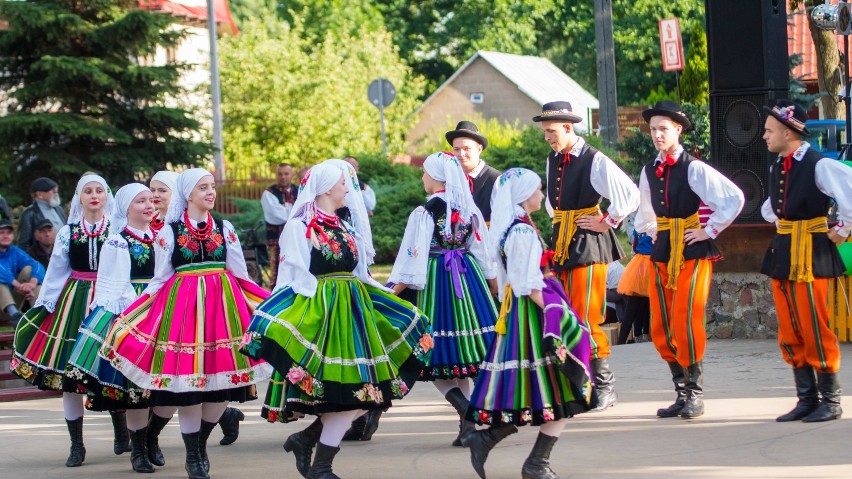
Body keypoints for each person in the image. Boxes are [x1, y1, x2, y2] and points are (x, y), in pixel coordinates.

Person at [239, 160, 431, 479]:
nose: (348, 188)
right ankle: (321, 464)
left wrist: (385, 294)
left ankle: (307, 441)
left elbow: (359, 272)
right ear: (328, 187)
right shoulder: (300, 226)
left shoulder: (345, 225)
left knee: (370, 392)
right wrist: (295, 317)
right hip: (326, 312)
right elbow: (292, 277)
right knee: (352, 392)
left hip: (355, 310)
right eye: (344, 183)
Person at [100, 169, 272, 479]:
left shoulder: (225, 226)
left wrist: (267, 301)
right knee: (191, 387)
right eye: (202, 187)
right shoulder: (169, 232)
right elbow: (160, 278)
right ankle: (194, 456)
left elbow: (240, 273)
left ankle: (199, 445)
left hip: (223, 311)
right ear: (188, 195)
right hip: (184, 312)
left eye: (211, 186)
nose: (210, 192)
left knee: (222, 388)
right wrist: (135, 312)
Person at [461, 167, 592, 479]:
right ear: (523, 195)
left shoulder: (518, 228)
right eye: (538, 190)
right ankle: (533, 462)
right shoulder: (521, 232)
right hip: (533, 317)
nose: (542, 195)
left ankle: (493, 440)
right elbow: (526, 285)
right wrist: (556, 313)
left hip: (524, 316)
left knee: (539, 391)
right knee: (559, 390)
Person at [634, 100, 745, 419]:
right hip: (663, 249)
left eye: (663, 129)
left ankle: (695, 391)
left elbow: (733, 197)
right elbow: (645, 211)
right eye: (653, 129)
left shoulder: (693, 167)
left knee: (685, 318)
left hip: (692, 250)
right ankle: (680, 392)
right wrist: (652, 229)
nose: (657, 135)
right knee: (661, 324)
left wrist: (708, 229)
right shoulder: (648, 170)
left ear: (678, 130)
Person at [534, 101, 640, 411]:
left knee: (587, 315)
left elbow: (630, 194)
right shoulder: (553, 159)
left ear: (568, 127)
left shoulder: (594, 159)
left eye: (551, 131)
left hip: (589, 244)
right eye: (544, 132)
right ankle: (579, 383)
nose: (547, 137)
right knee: (564, 312)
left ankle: (604, 386)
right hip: (563, 242)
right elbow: (554, 207)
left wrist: (607, 220)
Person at [388, 151, 498, 447]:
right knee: (460, 358)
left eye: (424, 172)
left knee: (435, 356)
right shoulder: (468, 209)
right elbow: (483, 252)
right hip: (468, 280)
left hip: (437, 282)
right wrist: (493, 286)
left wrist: (391, 291)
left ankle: (467, 411)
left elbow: (414, 258)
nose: (422, 177)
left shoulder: (425, 213)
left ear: (436, 176)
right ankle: (468, 423)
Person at [11, 174, 116, 467]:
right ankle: (77, 445)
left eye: (99, 190)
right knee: (69, 376)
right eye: (87, 191)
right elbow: (57, 271)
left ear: (107, 196)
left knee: (111, 368)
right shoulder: (68, 233)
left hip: (109, 301)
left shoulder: (118, 231)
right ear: (79, 198)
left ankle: (121, 430)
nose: (94, 195)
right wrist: (46, 304)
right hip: (75, 300)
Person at [760, 100, 851, 422]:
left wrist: (843, 228)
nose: (764, 136)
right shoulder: (777, 166)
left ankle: (832, 399)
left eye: (770, 131)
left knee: (815, 324)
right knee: (789, 327)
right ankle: (807, 397)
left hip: (812, 254)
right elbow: (772, 208)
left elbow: (850, 192)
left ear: (788, 132)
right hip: (784, 251)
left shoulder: (819, 165)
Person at [62, 183, 158, 473]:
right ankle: (138, 449)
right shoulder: (117, 241)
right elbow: (113, 284)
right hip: (131, 309)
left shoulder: (163, 237)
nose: (148, 205)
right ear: (126, 208)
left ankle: (150, 440)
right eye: (140, 201)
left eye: (150, 200)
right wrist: (138, 308)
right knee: (134, 387)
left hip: (160, 307)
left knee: (163, 383)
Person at [446, 121, 501, 225]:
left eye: (466, 149)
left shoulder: (495, 180)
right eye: (457, 149)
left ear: (479, 149)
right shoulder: (450, 181)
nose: (461, 154)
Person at [616, 215, 653, 345]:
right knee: (653, 304)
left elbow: (635, 246)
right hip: (653, 264)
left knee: (632, 308)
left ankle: (621, 340)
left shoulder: (639, 226)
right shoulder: (657, 227)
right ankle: (650, 335)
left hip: (638, 265)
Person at [0, 219, 45, 325]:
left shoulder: (14, 251)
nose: (6, 236)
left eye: (9, 233)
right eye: (1, 233)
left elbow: (37, 265)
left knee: (28, 270)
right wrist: (18, 285)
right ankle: (16, 316)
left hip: (13, 304)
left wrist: (31, 284)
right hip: (3, 306)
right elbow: (3, 272)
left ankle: (40, 315)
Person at [261, 163, 299, 285]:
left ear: (292, 174)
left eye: (286, 173)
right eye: (280, 174)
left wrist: (286, 208)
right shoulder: (269, 193)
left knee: (299, 269)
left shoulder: (300, 191)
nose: (283, 177)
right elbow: (277, 216)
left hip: (298, 239)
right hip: (277, 240)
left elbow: (306, 212)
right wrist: (293, 209)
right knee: (278, 271)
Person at [17, 177, 67, 250]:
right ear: (39, 194)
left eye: (56, 189)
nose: (55, 192)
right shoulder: (29, 213)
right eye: (51, 190)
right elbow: (24, 244)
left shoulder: (58, 209)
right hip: (42, 259)